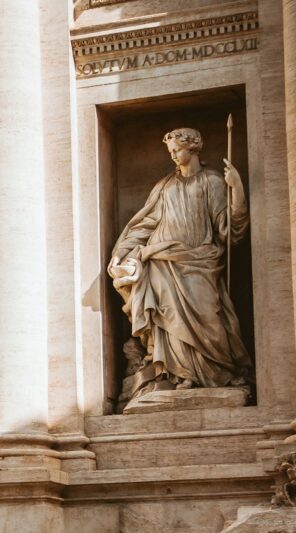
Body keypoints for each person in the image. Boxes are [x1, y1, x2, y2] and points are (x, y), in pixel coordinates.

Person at [109, 128, 252, 400]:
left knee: (210, 317)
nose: (174, 155)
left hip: (201, 260)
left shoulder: (212, 182)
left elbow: (231, 229)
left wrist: (237, 189)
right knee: (168, 319)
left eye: (178, 149)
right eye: (171, 151)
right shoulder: (165, 186)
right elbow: (145, 224)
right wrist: (123, 253)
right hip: (163, 262)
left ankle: (214, 374)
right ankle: (177, 375)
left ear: (195, 147)